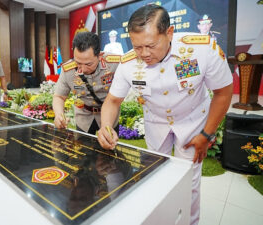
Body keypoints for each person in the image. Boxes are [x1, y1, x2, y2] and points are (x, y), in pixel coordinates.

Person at [97, 5, 233, 225]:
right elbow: (112, 101)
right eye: (137, 46)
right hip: (155, 123)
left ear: (169, 33)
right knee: (153, 176)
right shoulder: (129, 62)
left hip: (193, 122)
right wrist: (105, 125)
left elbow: (223, 92)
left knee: (189, 182)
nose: (144, 54)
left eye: (150, 45)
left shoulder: (200, 49)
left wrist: (207, 134)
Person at [53, 31, 121, 135]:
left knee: (109, 147)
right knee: (83, 148)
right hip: (84, 117)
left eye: (88, 64)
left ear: (99, 55)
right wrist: (59, 115)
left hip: (110, 116)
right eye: (78, 63)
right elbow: (59, 96)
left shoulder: (114, 63)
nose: (83, 69)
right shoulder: (68, 70)